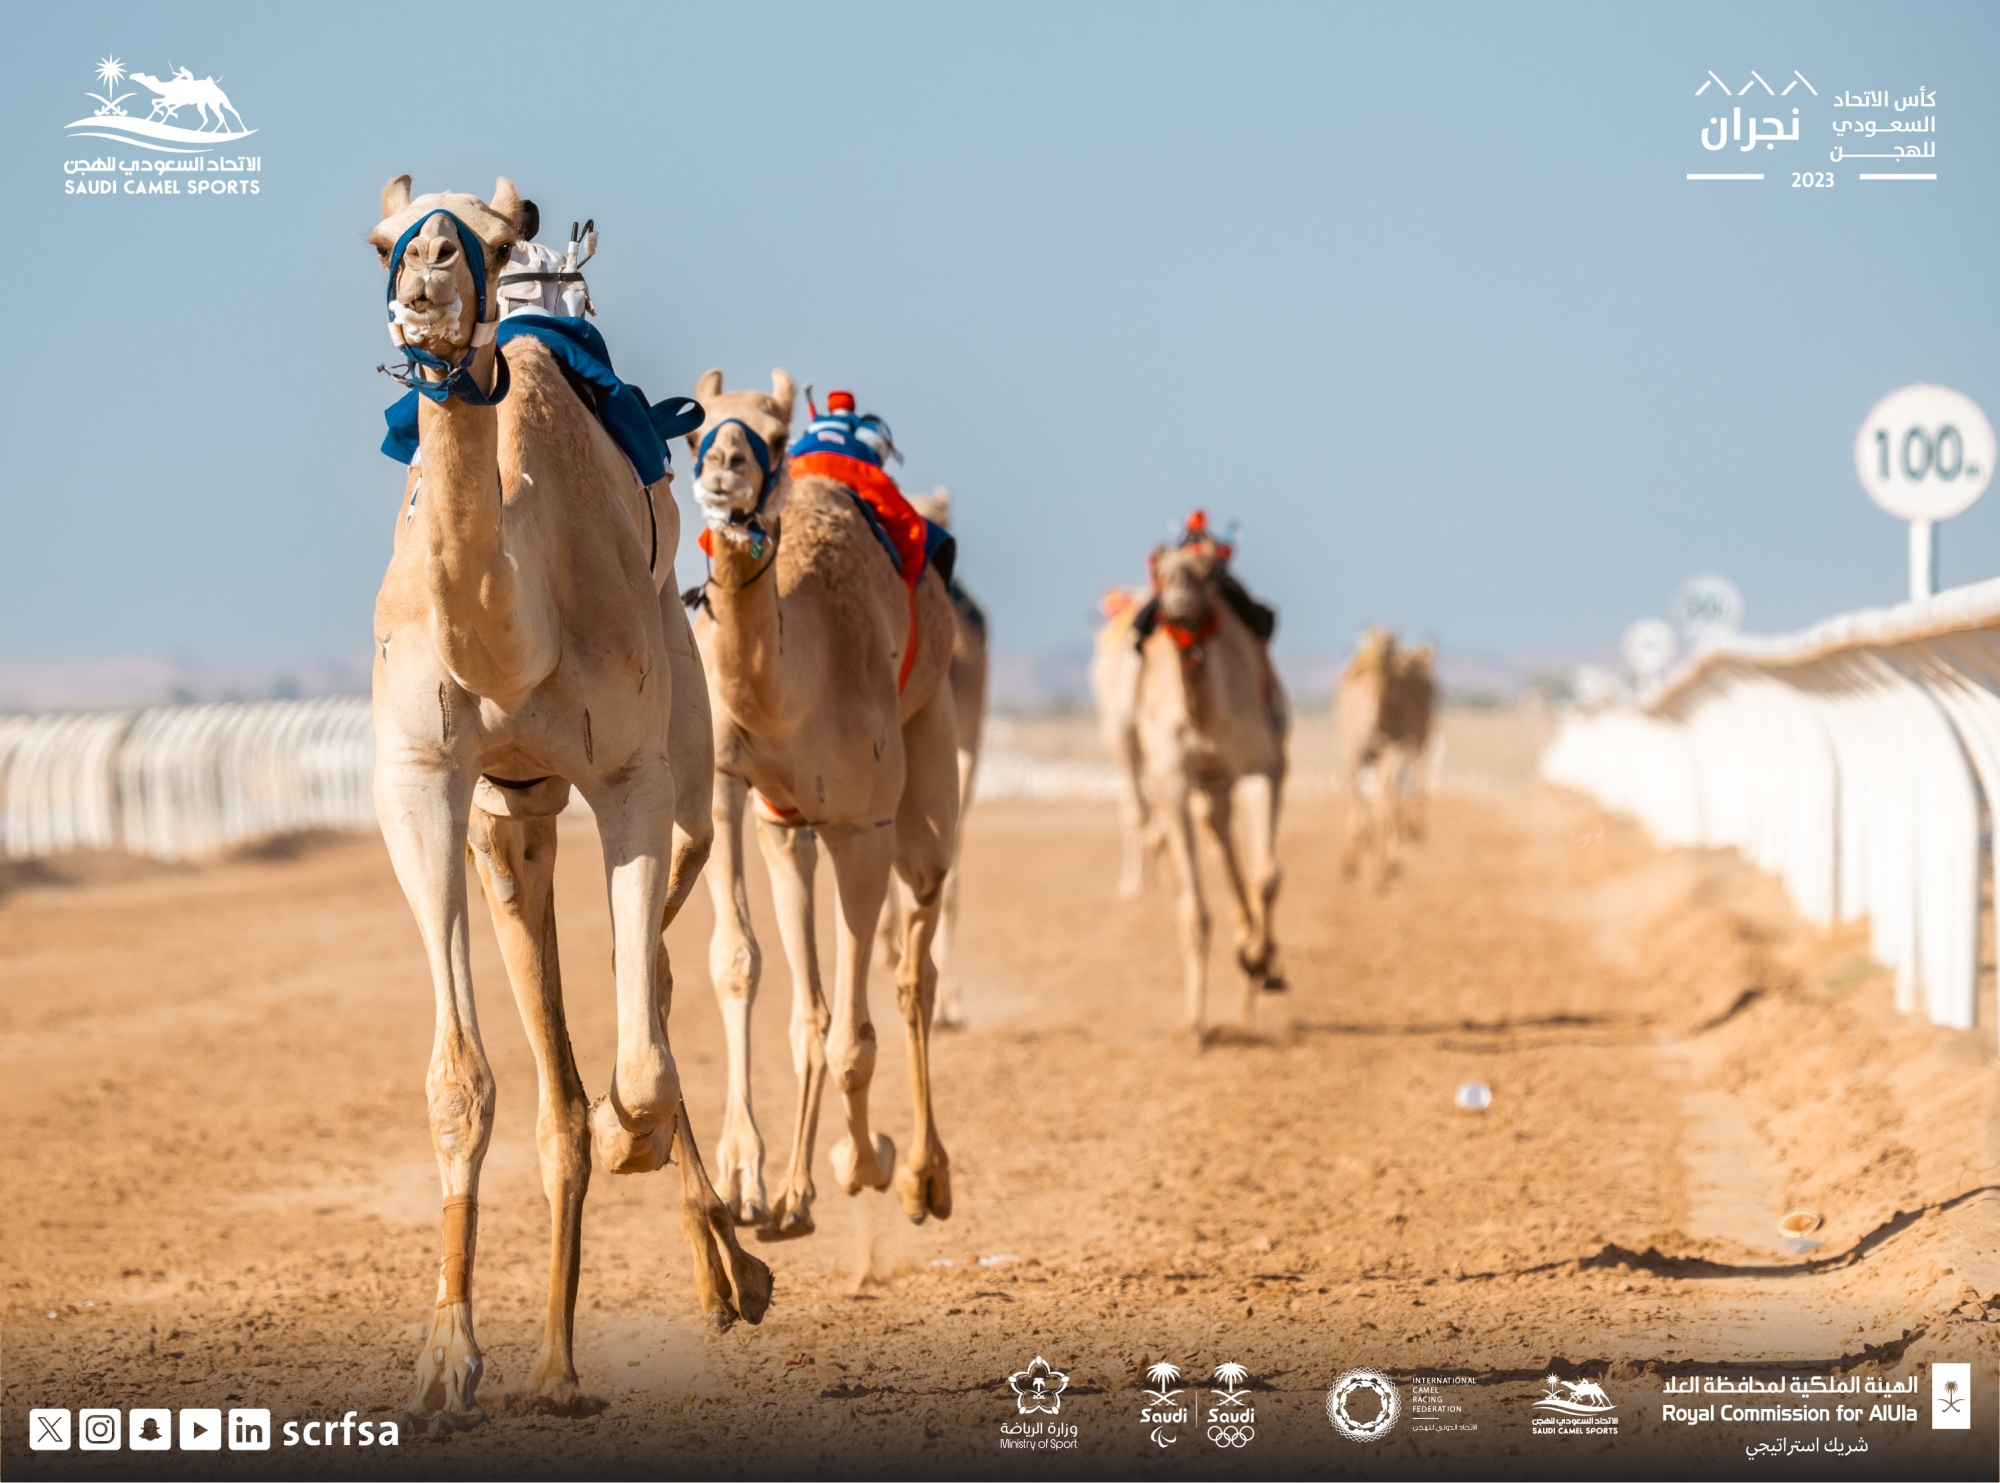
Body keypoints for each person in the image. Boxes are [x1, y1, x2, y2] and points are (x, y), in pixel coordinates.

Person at [1129, 509, 1277, 646]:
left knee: (1241, 597)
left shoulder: (1197, 545)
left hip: (1204, 585)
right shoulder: (1191, 547)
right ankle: (1139, 634)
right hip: (1195, 589)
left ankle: (1139, 633)